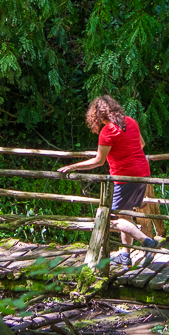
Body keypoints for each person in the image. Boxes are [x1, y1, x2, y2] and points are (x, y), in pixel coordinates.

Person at [59, 95, 161, 267]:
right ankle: (125, 255)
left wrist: (74, 166)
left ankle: (147, 243)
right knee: (125, 213)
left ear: (96, 115)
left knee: (111, 217)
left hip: (125, 176)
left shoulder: (107, 131)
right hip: (143, 173)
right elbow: (141, 144)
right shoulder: (131, 121)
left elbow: (99, 160)